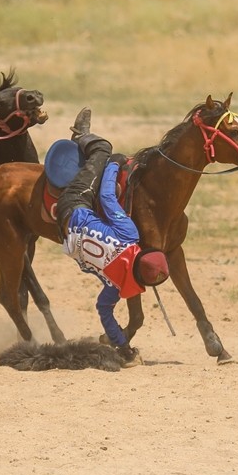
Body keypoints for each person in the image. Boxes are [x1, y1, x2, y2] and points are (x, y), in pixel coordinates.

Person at [54, 107, 171, 367]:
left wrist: (114, 165)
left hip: (73, 204)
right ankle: (125, 351)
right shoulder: (117, 286)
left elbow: (107, 198)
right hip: (66, 234)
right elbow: (103, 310)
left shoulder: (130, 235)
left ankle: (81, 136)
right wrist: (121, 344)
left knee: (103, 149)